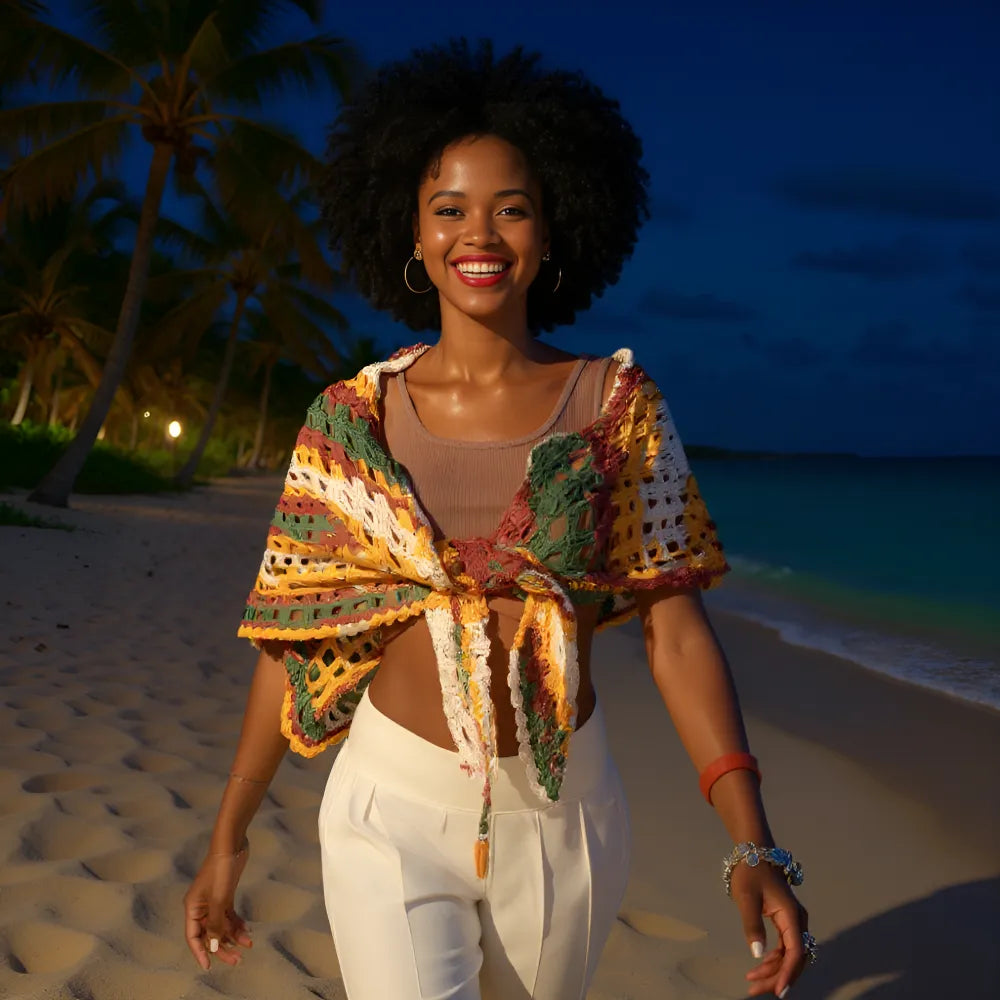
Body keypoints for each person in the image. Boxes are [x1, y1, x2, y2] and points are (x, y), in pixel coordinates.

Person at [183, 39, 814, 1000]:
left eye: (511, 208)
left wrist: (751, 842)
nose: (479, 234)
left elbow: (675, 636)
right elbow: (293, 636)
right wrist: (230, 833)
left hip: (564, 819)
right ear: (412, 229)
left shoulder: (617, 407)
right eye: (449, 210)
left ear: (553, 231)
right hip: (388, 809)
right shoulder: (349, 423)